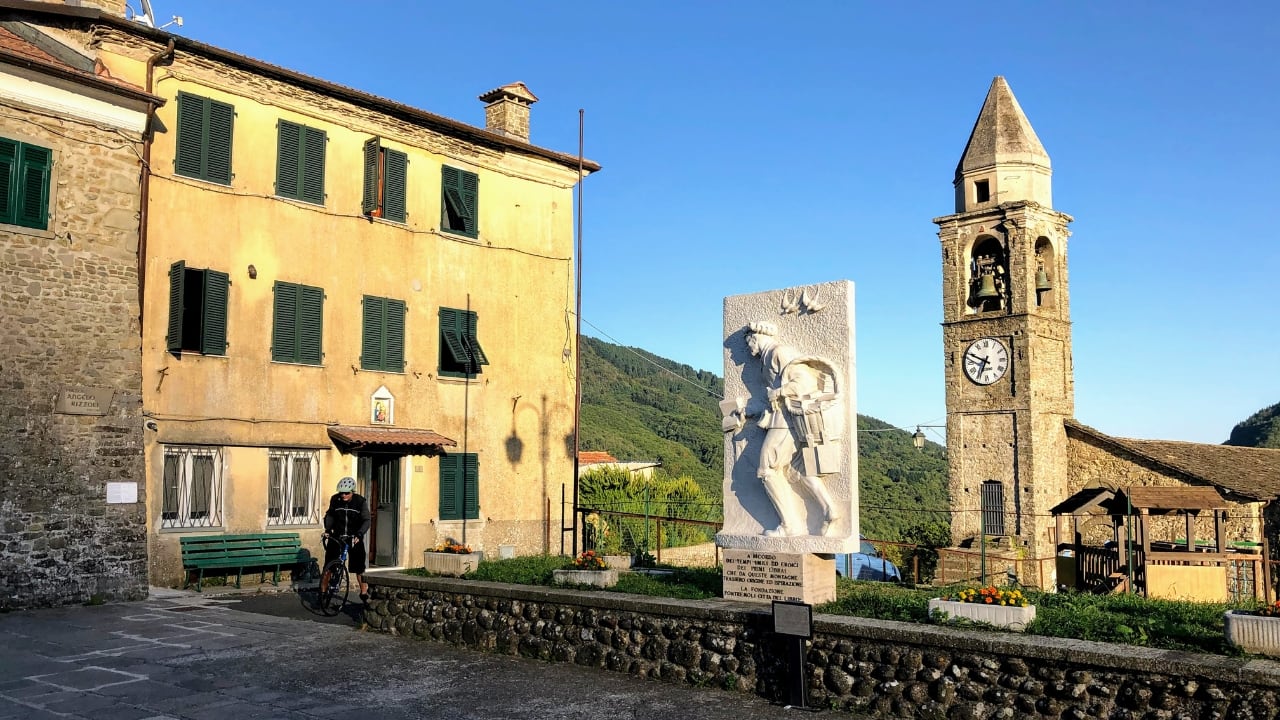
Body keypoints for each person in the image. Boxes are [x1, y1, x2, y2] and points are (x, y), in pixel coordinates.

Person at [744, 321, 843, 538]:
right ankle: (829, 510)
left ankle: (789, 526)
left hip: (787, 420)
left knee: (767, 468)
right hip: (782, 417)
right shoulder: (768, 358)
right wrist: (750, 410)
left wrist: (778, 392)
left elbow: (804, 384)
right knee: (798, 470)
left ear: (755, 337)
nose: (745, 350)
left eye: (747, 342)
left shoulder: (779, 352)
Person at [321, 476, 372, 603]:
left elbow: (366, 520)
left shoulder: (360, 502)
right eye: (341, 493)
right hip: (337, 536)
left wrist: (359, 534)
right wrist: (328, 530)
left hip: (353, 537)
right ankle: (322, 593)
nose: (343, 495)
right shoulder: (335, 499)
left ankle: (364, 591)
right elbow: (330, 516)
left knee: (359, 566)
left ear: (352, 491)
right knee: (328, 566)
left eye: (346, 493)